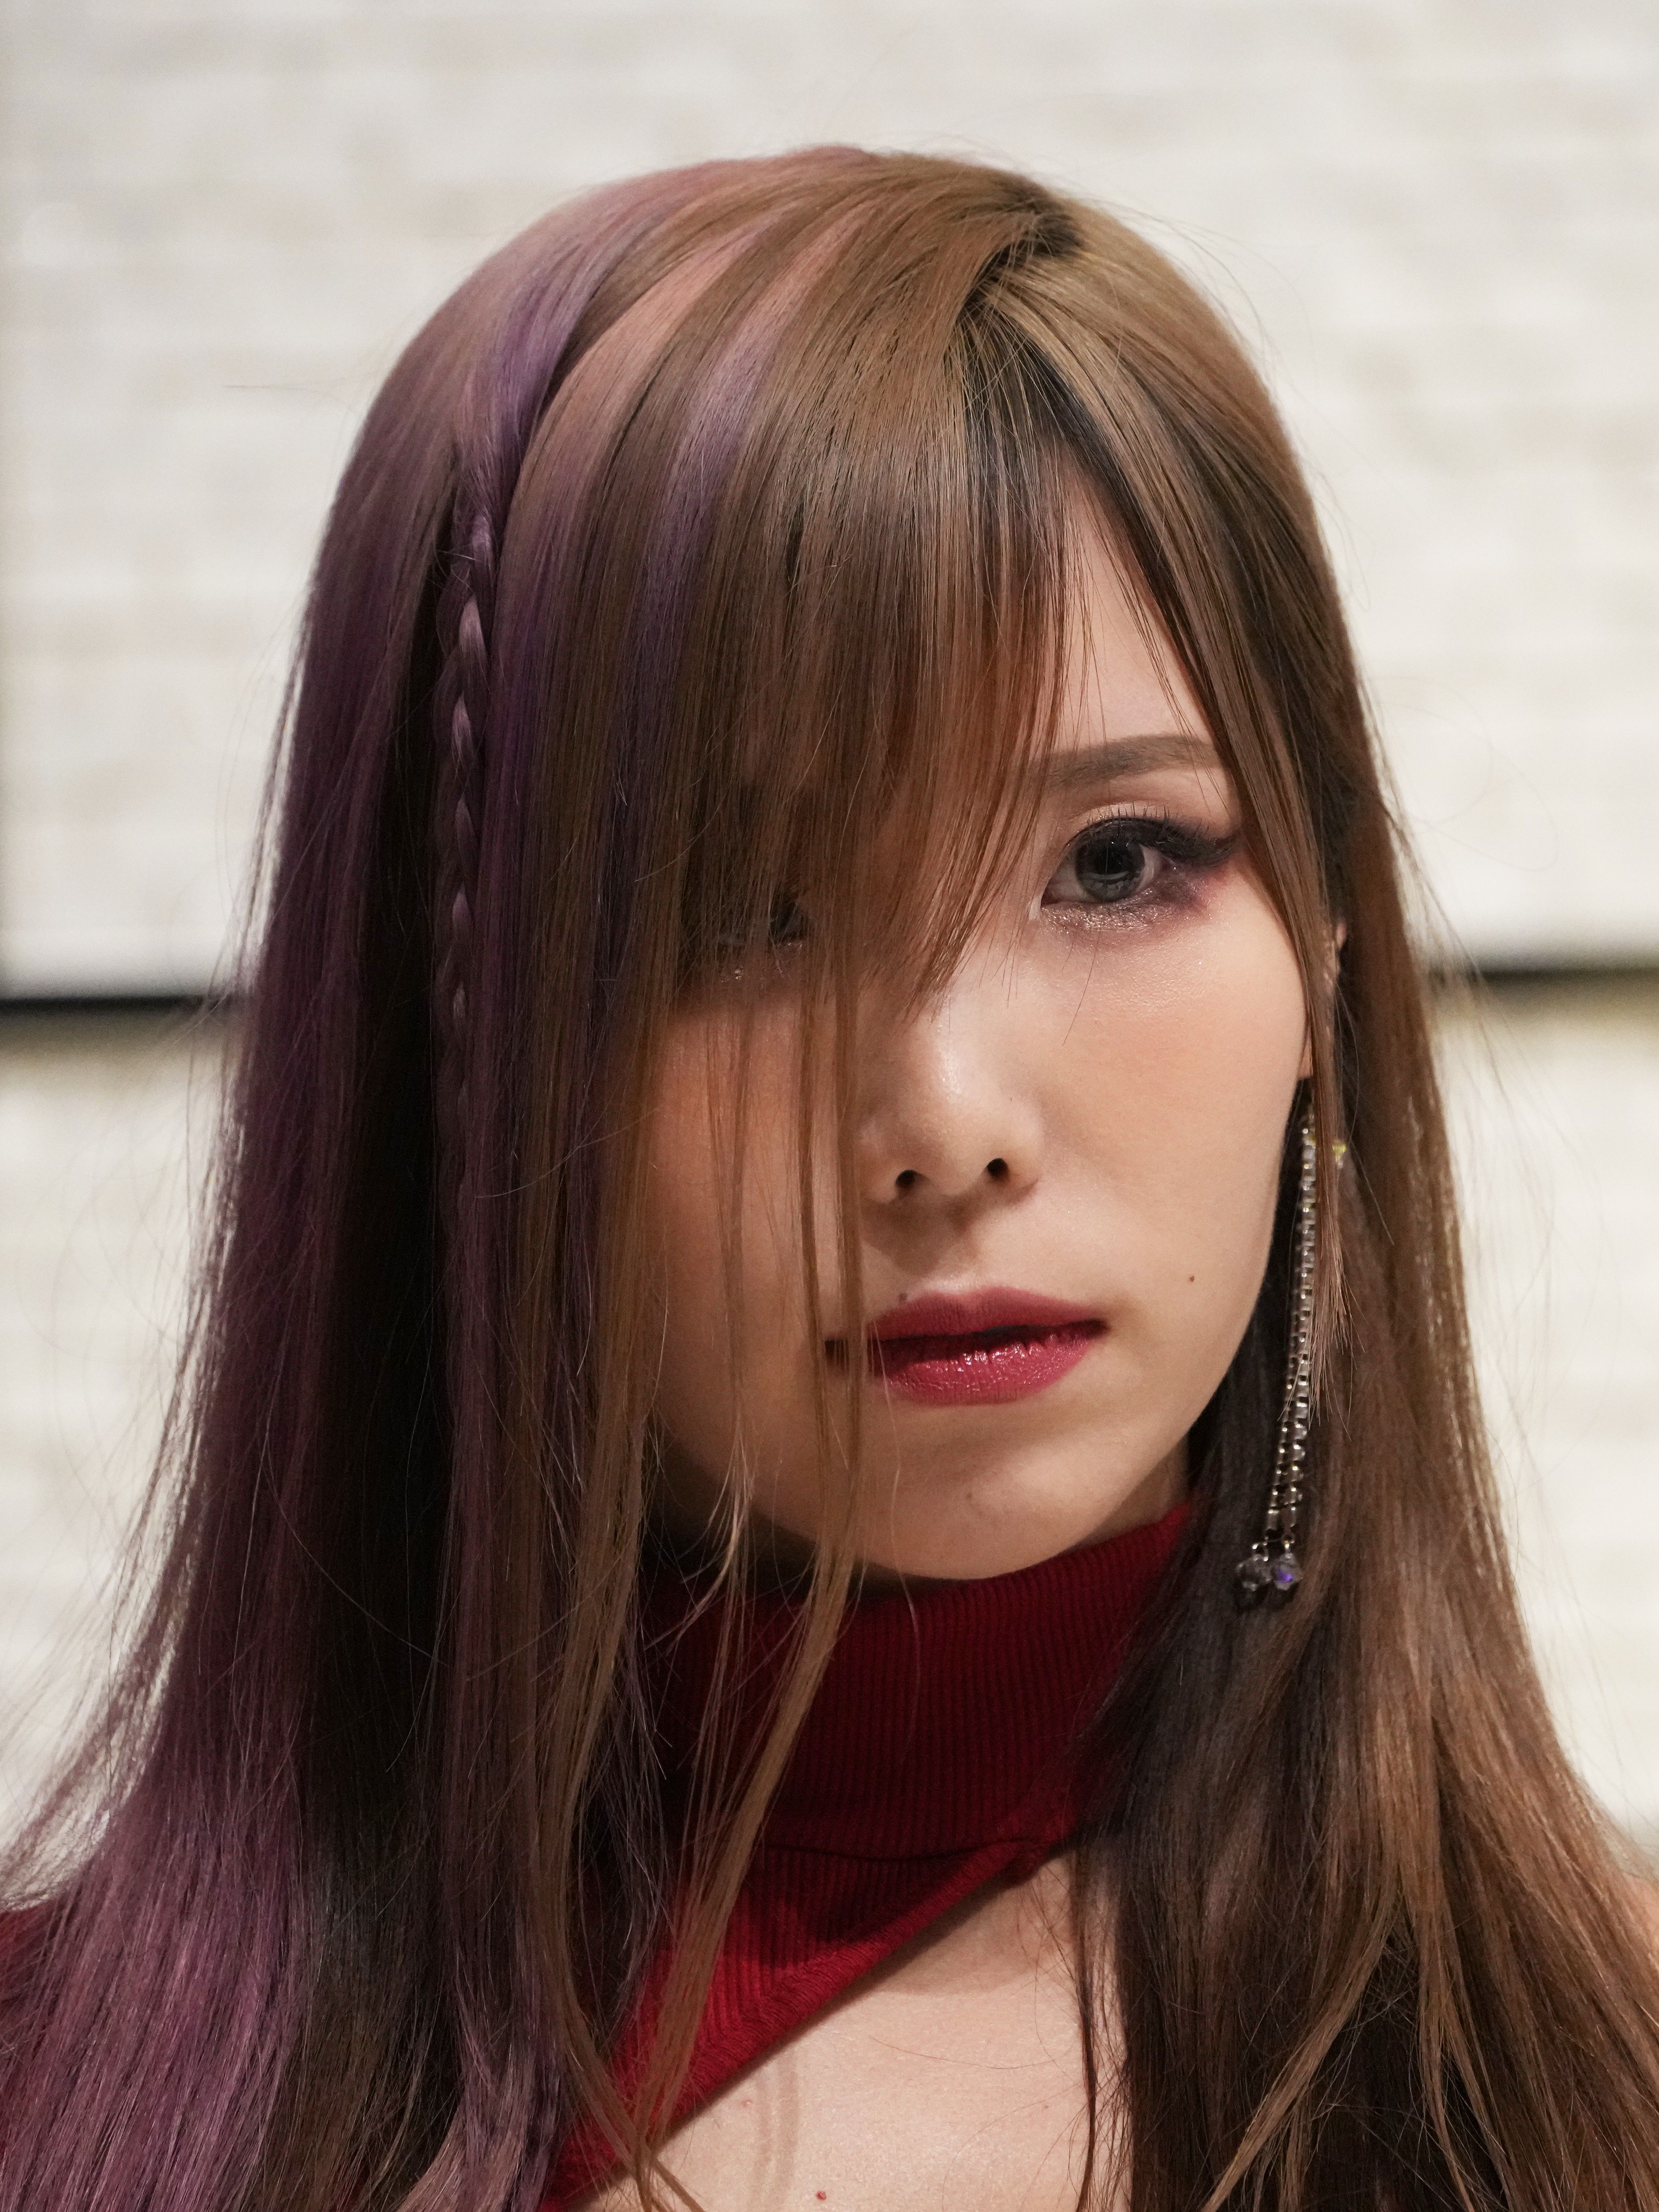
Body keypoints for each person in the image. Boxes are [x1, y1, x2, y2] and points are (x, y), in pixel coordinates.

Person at [2, 147, 1656, 2212]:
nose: (948, 1125)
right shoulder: (71, 2109)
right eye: (736, 912)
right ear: (454, 1039)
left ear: (1324, 952)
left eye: (1118, 864)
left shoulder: (1598, 2088)